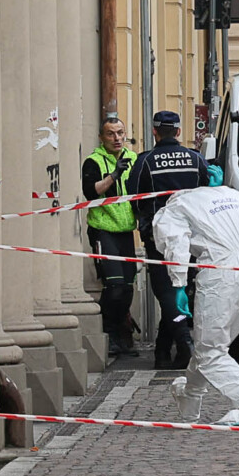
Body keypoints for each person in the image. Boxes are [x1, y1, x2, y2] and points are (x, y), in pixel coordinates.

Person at [151, 183, 239, 427]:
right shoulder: (231, 194)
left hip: (221, 272)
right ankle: (189, 398)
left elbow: (175, 244)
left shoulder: (175, 207)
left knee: (211, 350)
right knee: (212, 344)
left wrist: (178, 284)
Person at [127, 110, 210, 366]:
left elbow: (133, 196)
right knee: (179, 291)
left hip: (159, 238)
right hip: (193, 236)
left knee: (167, 292)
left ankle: (184, 344)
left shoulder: (146, 161)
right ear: (177, 131)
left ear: (154, 132)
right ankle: (162, 353)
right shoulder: (196, 159)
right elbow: (207, 191)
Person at [81, 114, 140, 362]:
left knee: (127, 288)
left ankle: (122, 334)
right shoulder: (93, 161)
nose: (117, 138)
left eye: (120, 133)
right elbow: (90, 192)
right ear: (101, 137)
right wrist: (114, 175)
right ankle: (109, 333)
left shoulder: (133, 158)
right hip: (103, 229)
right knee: (114, 286)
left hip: (126, 230)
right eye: (111, 134)